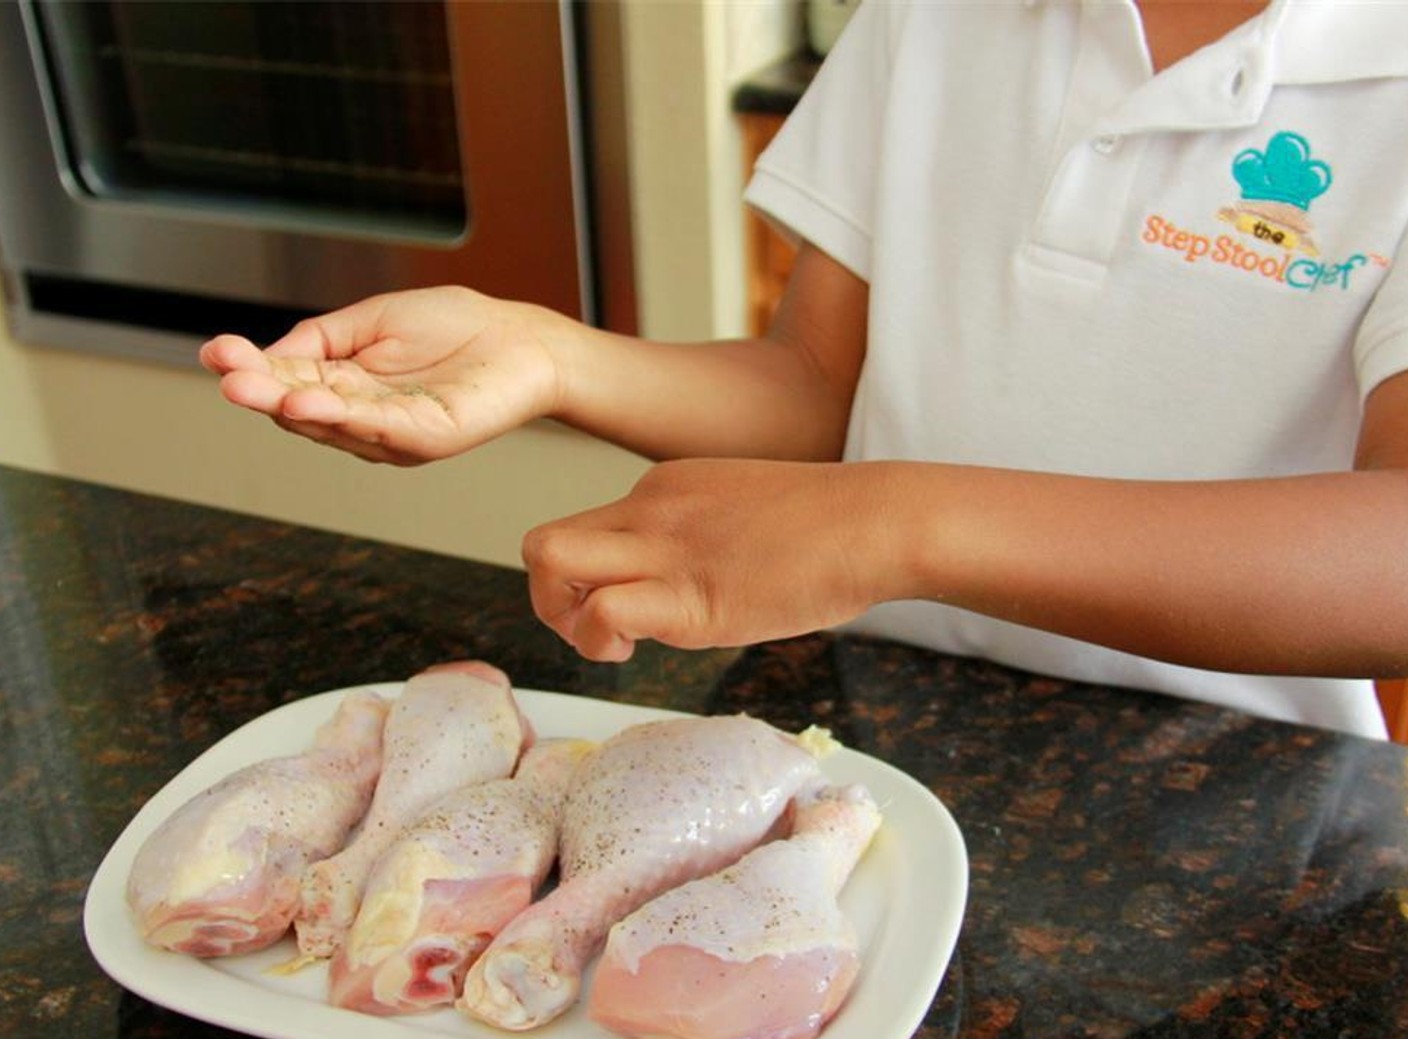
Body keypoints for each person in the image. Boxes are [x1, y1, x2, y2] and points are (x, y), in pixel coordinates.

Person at [200, 0, 1408, 740]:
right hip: (879, 709)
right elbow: (821, 384)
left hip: (1253, 775)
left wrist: (890, 520)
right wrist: (553, 355)